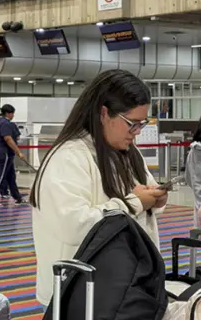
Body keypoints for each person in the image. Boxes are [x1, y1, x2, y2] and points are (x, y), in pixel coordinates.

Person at [29, 70, 165, 305]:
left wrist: (155, 199)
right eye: (132, 124)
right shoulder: (69, 157)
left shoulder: (128, 153)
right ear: (104, 113)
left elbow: (143, 197)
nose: (137, 132)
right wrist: (134, 203)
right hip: (77, 298)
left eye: (142, 124)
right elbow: (74, 225)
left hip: (123, 293)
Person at [0, 104, 28, 206]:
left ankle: (17, 198)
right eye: (12, 113)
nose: (13, 115)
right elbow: (8, 139)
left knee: (10, 176)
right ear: (8, 113)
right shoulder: (7, 124)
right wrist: (19, 152)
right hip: (3, 153)